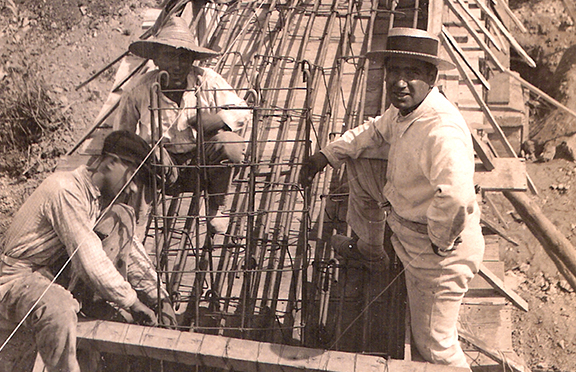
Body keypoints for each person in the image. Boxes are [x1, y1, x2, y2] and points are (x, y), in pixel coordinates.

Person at [299, 28, 485, 369]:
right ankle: (373, 249)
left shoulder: (441, 129)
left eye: (411, 73)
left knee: (436, 347)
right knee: (361, 155)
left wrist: (438, 243)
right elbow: (372, 132)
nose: (399, 82)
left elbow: (457, 196)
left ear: (431, 77)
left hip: (439, 251)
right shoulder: (406, 110)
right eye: (393, 71)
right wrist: (326, 156)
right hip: (410, 236)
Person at [0, 130, 177, 372]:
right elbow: (89, 257)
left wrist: (160, 296)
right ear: (111, 162)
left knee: (122, 216)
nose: (134, 189)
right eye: (132, 176)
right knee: (59, 308)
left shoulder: (99, 200)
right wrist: (133, 302)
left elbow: (132, 251)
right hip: (17, 281)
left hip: (51, 276)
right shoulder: (65, 189)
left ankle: (90, 306)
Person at [113, 15, 251, 235]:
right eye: (169, 57)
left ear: (192, 60)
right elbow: (121, 136)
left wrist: (218, 119)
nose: (177, 65)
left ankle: (216, 206)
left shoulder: (206, 80)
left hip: (201, 163)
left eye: (183, 57)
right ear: (156, 60)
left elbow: (243, 110)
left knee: (230, 143)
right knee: (141, 154)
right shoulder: (139, 89)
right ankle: (136, 223)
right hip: (162, 169)